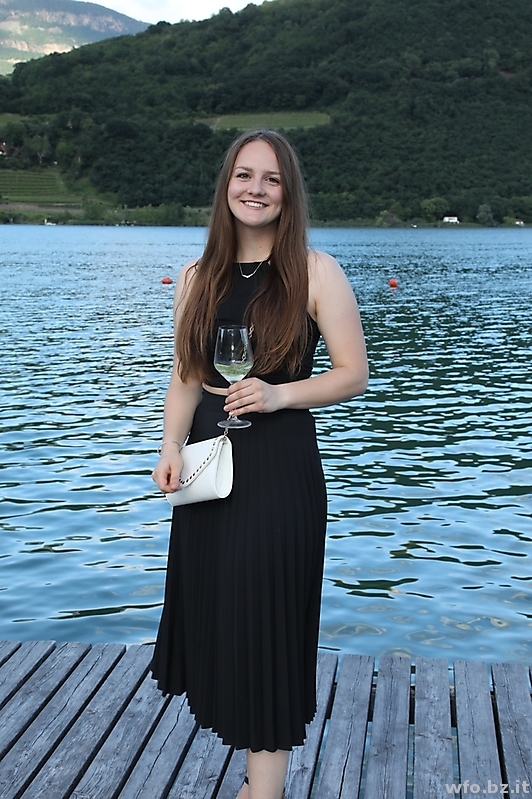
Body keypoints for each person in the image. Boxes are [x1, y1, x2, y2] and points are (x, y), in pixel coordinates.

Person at [150, 129, 368, 799]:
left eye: (271, 179)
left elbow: (353, 373)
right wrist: (168, 446)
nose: (256, 188)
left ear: (287, 193)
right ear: (226, 185)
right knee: (220, 615)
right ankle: (251, 776)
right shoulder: (197, 277)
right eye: (244, 175)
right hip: (208, 470)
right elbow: (187, 375)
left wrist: (279, 394)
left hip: (279, 472)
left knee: (266, 623)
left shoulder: (316, 271)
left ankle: (264, 792)